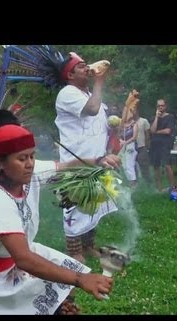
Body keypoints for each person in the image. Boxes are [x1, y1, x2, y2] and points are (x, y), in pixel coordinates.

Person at [0, 109, 116, 315]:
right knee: (71, 277)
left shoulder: (29, 171)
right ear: (0, 162)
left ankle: (58, 307)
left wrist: (98, 161)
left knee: (63, 285)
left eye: (32, 156)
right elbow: (25, 259)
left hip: (13, 259)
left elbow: (65, 166)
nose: (29, 164)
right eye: (21, 159)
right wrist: (81, 280)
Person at [54, 52, 117, 262]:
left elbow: (99, 123)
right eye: (81, 66)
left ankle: (89, 246)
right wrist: (100, 81)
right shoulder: (67, 93)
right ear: (70, 75)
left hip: (96, 161)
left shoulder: (88, 93)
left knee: (95, 205)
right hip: (76, 162)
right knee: (75, 207)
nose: (87, 68)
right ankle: (74, 251)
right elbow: (91, 110)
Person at [149, 98, 177, 192]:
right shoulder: (153, 118)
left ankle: (172, 187)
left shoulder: (170, 117)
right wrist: (157, 117)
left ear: (165, 106)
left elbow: (168, 131)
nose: (160, 107)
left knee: (167, 165)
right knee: (155, 166)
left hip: (165, 144)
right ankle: (159, 189)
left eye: (162, 105)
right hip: (154, 144)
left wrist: (157, 131)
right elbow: (152, 131)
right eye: (158, 106)